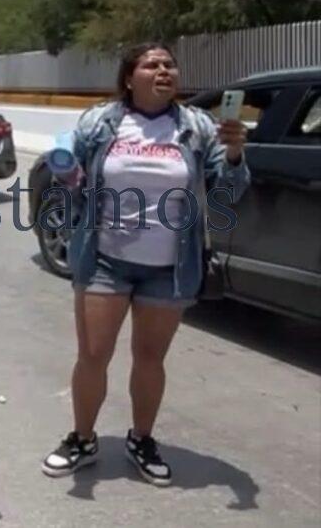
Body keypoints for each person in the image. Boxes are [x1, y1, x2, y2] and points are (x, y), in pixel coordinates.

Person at [40, 42, 249, 486]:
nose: (163, 70)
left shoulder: (198, 126)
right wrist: (68, 173)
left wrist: (233, 155)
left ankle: (142, 438)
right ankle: (82, 438)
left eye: (169, 64)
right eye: (151, 64)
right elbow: (74, 181)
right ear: (129, 77)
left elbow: (226, 191)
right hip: (104, 260)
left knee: (150, 358)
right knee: (93, 355)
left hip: (169, 265)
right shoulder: (101, 121)